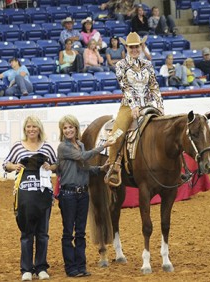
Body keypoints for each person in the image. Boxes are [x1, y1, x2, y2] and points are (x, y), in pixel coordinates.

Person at [57, 114, 115, 278]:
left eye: (71, 127)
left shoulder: (81, 144)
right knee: (69, 232)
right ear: (62, 131)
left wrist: (100, 169)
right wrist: (103, 146)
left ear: (76, 129)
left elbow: (84, 167)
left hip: (82, 193)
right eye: (65, 128)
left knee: (80, 232)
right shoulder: (63, 147)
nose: (68, 130)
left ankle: (81, 266)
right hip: (68, 194)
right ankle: (71, 267)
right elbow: (83, 157)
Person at [104, 32, 164, 186]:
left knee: (165, 130)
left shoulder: (148, 65)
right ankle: (113, 166)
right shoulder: (120, 65)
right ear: (127, 47)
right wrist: (134, 106)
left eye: (136, 46)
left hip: (149, 105)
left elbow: (154, 86)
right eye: (131, 47)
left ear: (140, 46)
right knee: (118, 132)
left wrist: (160, 106)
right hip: (128, 106)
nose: (134, 49)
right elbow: (125, 87)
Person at [3, 115, 57, 281]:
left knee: (42, 233)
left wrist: (50, 166)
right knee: (27, 233)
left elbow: (56, 165)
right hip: (24, 195)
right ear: (25, 129)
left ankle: (41, 268)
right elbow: (6, 164)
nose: (31, 129)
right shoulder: (18, 147)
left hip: (43, 195)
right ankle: (26, 269)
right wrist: (14, 166)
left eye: (34, 126)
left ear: (39, 128)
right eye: (28, 127)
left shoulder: (47, 147)